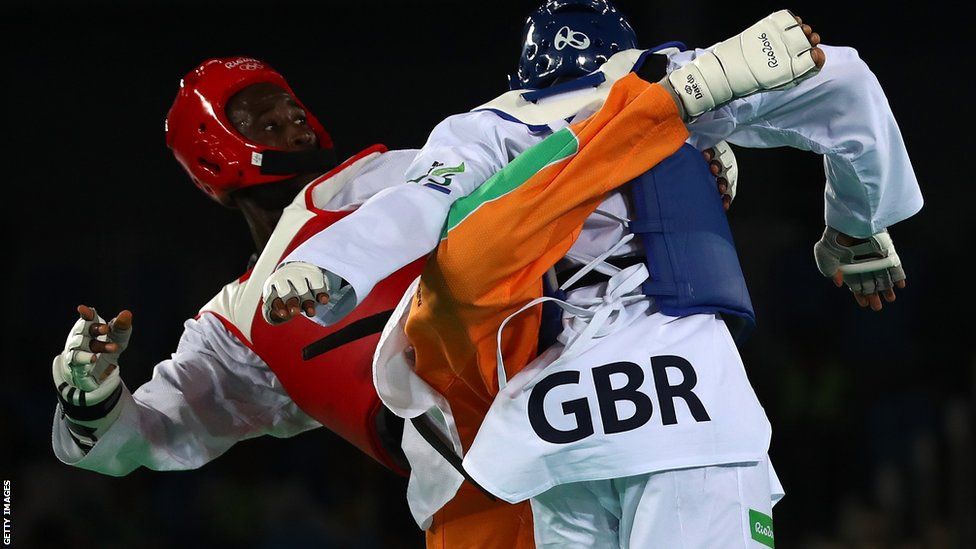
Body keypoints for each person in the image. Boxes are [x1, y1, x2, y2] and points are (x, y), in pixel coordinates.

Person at [263, 3, 922, 546]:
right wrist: (857, 224)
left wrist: (326, 261)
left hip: (552, 436)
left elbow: (422, 200)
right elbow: (842, 79)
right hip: (690, 412)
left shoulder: (483, 128)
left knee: (467, 236)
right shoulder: (667, 80)